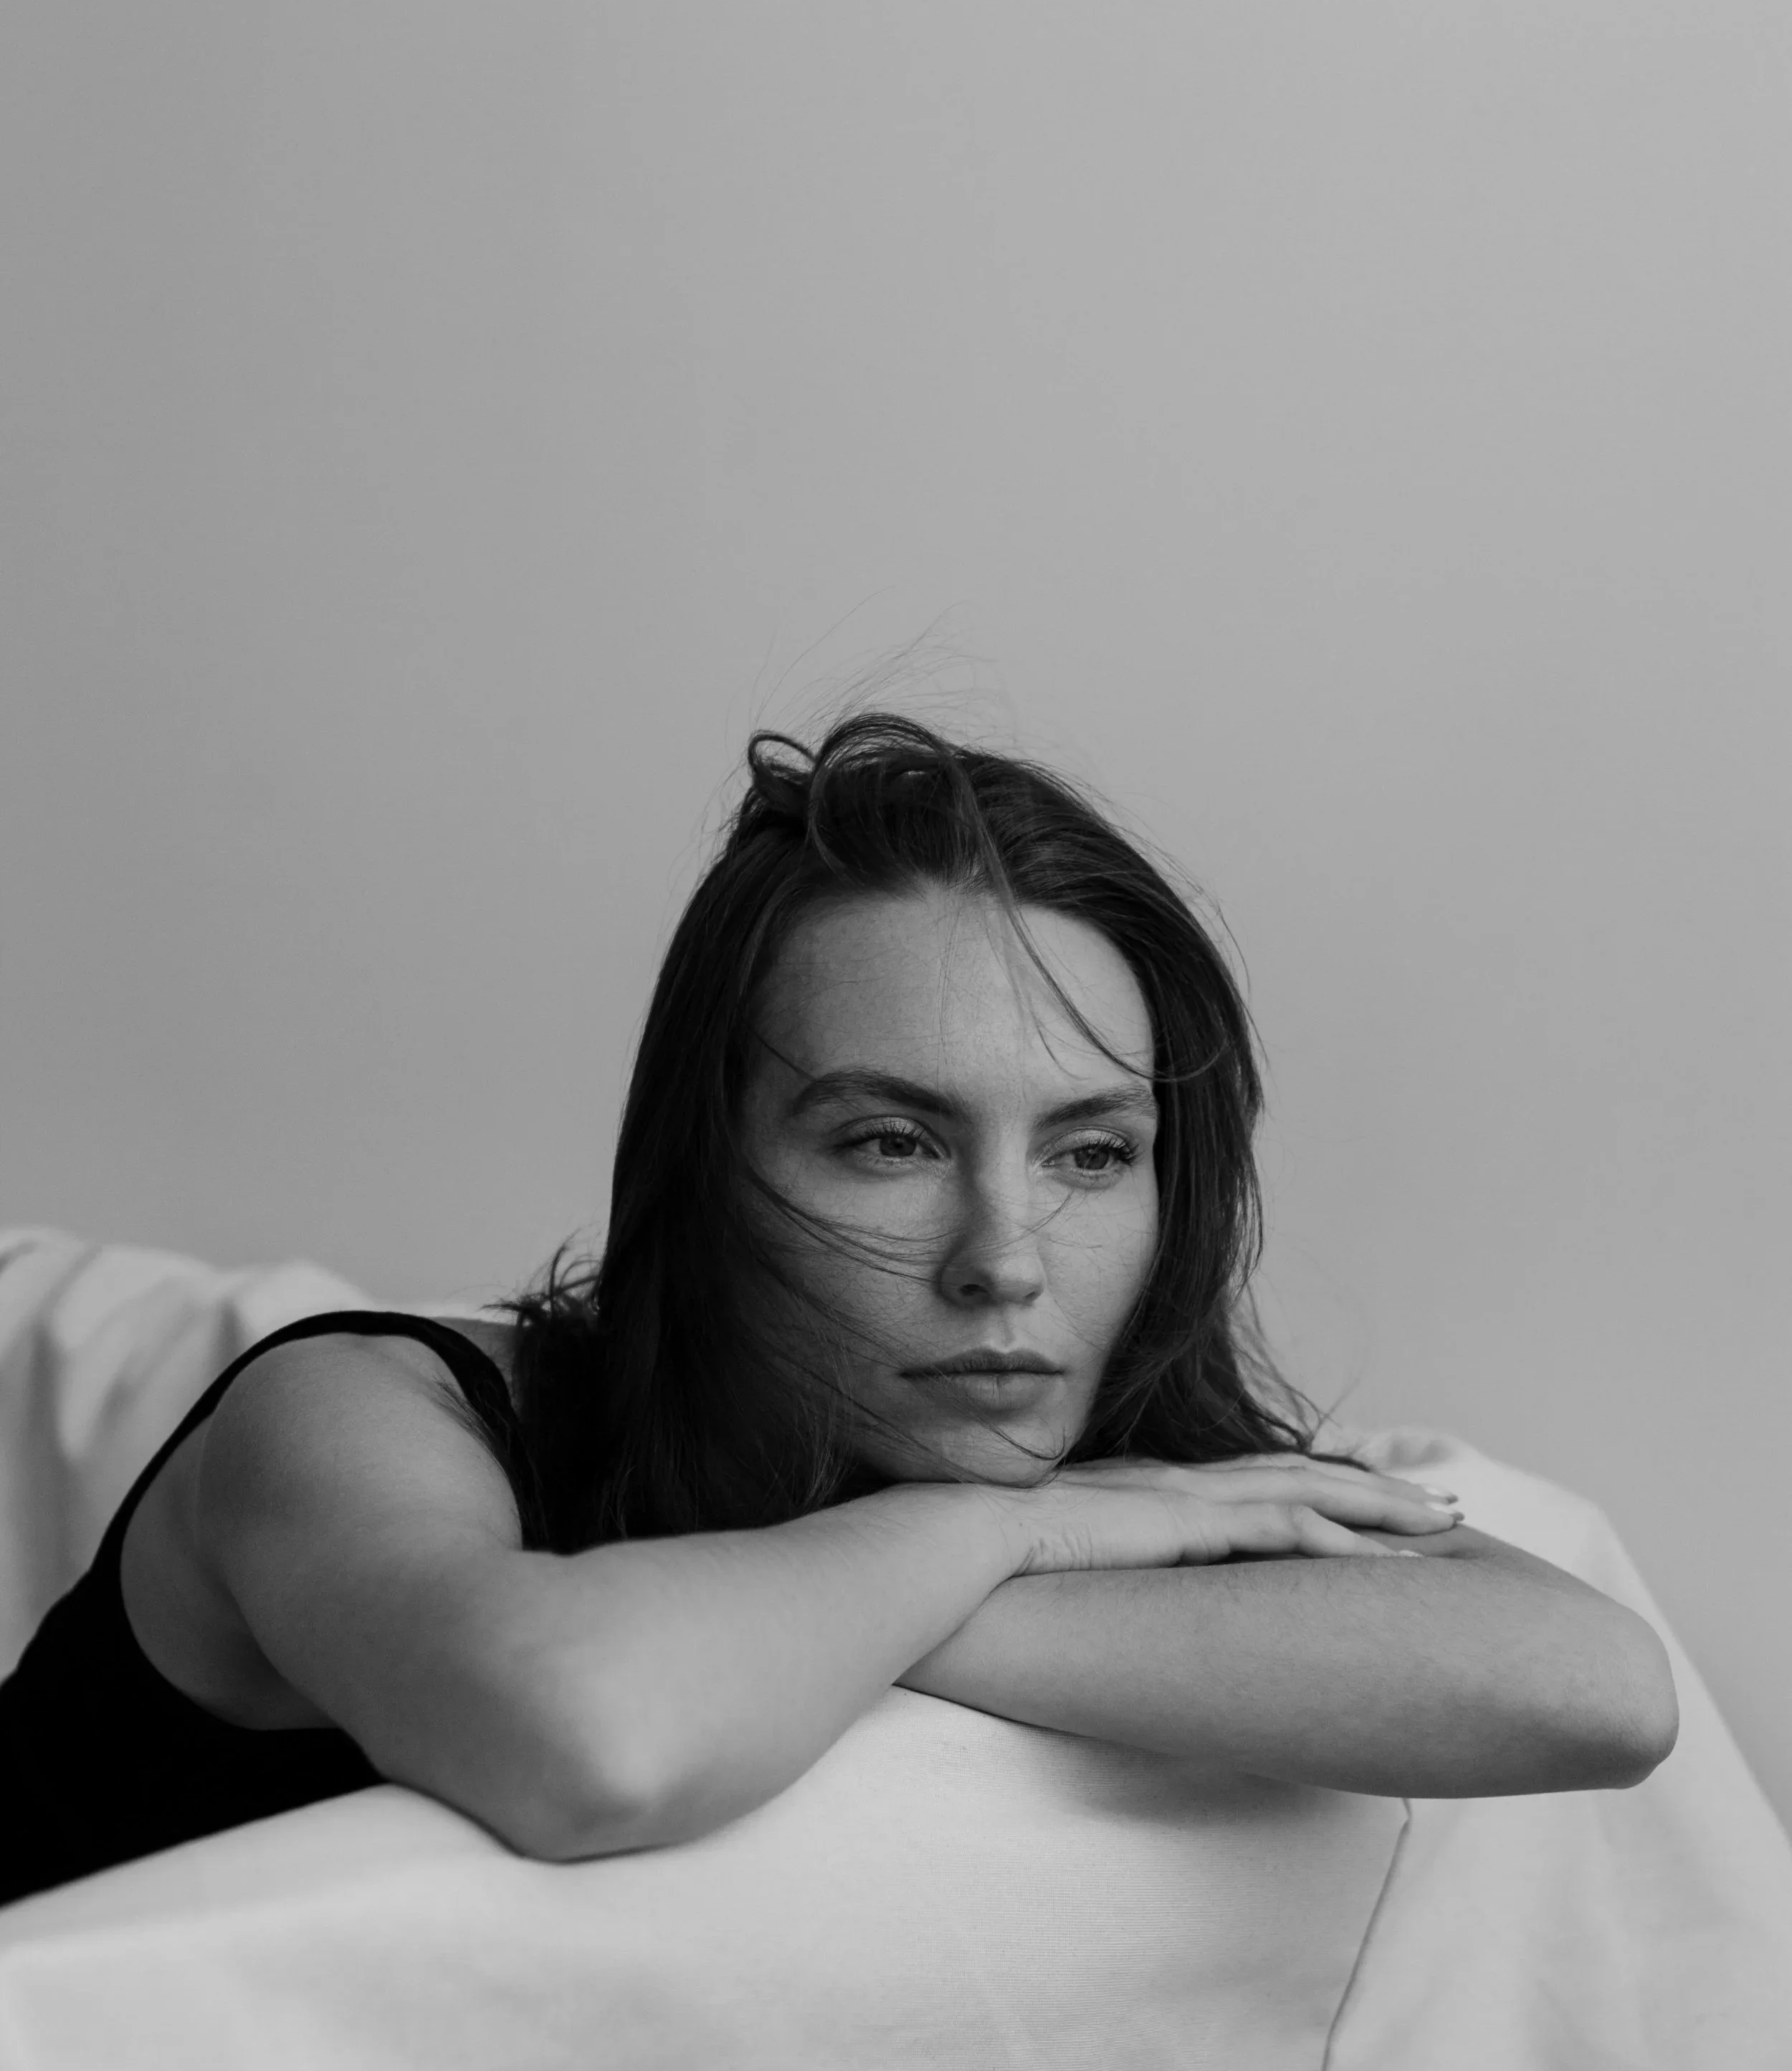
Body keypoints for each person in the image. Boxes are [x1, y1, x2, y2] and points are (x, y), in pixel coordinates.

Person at [0, 715, 1677, 1908]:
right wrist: (1012, 1539)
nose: (1003, 1260)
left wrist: (951, 1564)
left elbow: (1590, 1690)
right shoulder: (355, 1415)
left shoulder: (1105, 1474)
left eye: (1092, 1152)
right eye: (889, 1141)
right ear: (704, 1172)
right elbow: (588, 1732)